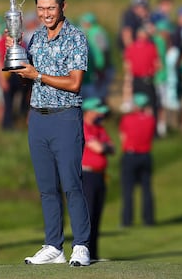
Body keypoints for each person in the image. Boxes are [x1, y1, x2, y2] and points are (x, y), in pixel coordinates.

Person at [7, 0, 91, 266]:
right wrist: (16, 53)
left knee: (71, 185)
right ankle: (54, 246)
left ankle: (80, 244)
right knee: (46, 188)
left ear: (62, 7)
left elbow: (75, 83)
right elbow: (26, 75)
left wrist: (37, 75)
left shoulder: (76, 38)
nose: (46, 14)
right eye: (41, 8)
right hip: (38, 119)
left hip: (65, 117)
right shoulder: (36, 38)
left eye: (51, 8)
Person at [81, 97, 114, 262]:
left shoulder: (99, 128)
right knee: (88, 216)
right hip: (86, 175)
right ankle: (83, 253)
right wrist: (104, 147)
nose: (100, 114)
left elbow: (111, 147)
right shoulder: (83, 126)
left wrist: (104, 147)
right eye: (98, 111)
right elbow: (99, 147)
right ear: (90, 111)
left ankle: (93, 254)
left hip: (100, 175)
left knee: (97, 216)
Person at [119, 93, 156, 227]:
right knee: (146, 189)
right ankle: (149, 219)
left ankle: (127, 221)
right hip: (145, 155)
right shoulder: (150, 119)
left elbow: (123, 136)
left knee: (128, 190)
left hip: (131, 155)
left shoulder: (127, 119)